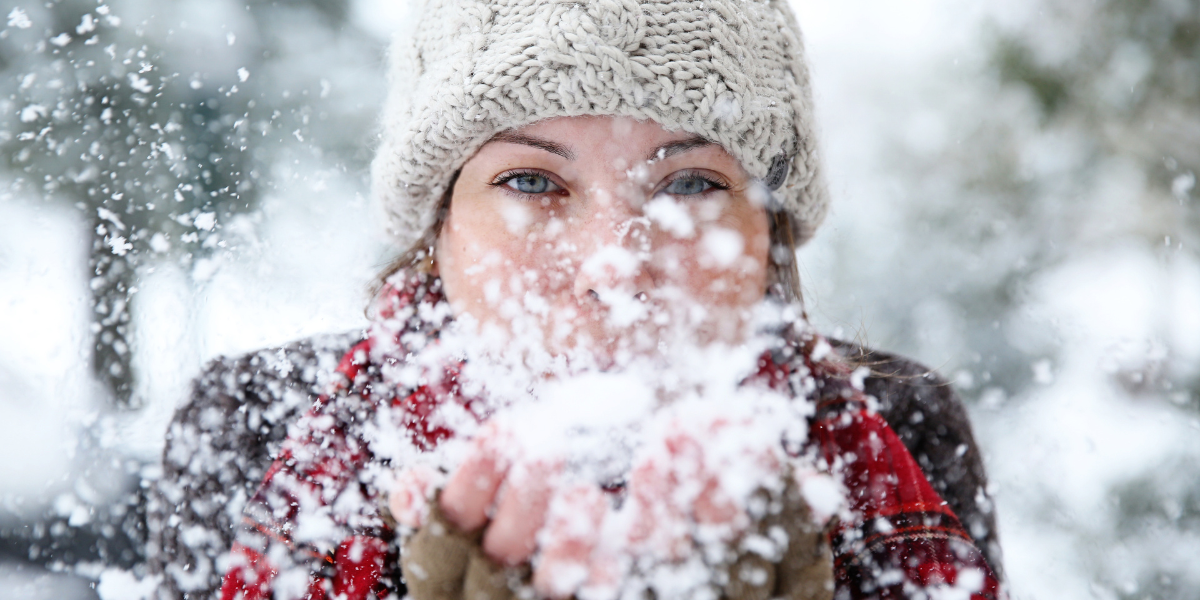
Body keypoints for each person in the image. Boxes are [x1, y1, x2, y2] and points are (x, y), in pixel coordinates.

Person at [145, 1, 1005, 599]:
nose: (613, 267)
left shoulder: (902, 429)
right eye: (531, 181)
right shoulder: (255, 425)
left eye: (689, 184)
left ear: (767, 234)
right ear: (440, 224)